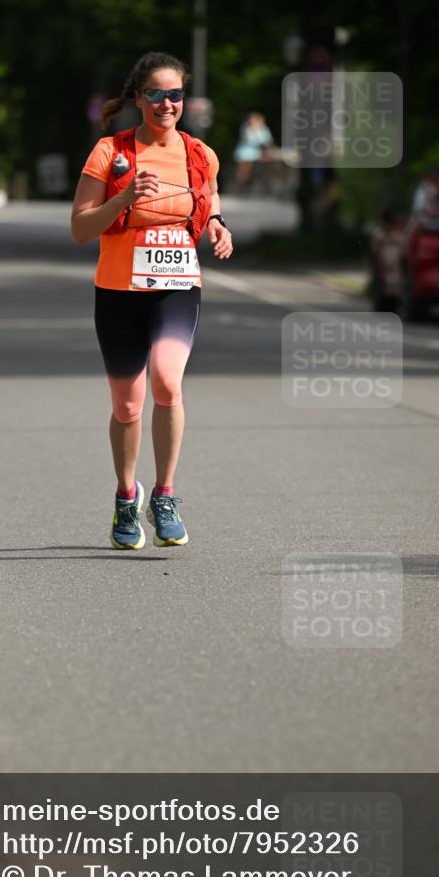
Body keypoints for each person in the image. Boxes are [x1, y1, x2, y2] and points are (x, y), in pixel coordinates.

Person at [71, 51, 233, 550]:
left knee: (167, 382)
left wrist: (221, 226)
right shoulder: (110, 152)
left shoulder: (200, 153)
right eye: (157, 94)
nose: (167, 103)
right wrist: (124, 199)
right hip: (118, 290)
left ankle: (164, 493)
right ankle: (126, 497)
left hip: (177, 285)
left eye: (176, 94)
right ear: (138, 98)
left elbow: (210, 199)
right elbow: (80, 228)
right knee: (127, 404)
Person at [233, 112, 273, 193]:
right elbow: (247, 139)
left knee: (267, 163)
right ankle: (241, 185)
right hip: (245, 151)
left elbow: (267, 141)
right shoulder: (246, 128)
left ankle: (263, 181)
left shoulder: (264, 129)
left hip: (258, 152)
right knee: (245, 166)